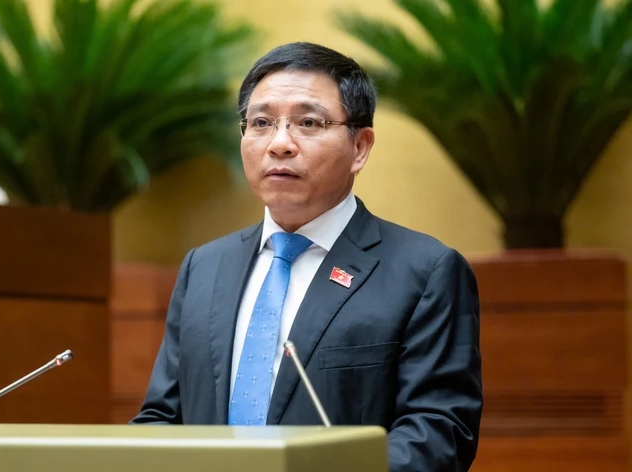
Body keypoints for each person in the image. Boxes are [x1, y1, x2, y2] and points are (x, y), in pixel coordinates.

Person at [130, 41, 482, 472]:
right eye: (261, 122)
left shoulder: (424, 271)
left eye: (308, 122)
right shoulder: (203, 267)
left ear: (360, 147)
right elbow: (163, 418)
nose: (279, 143)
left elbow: (438, 432)